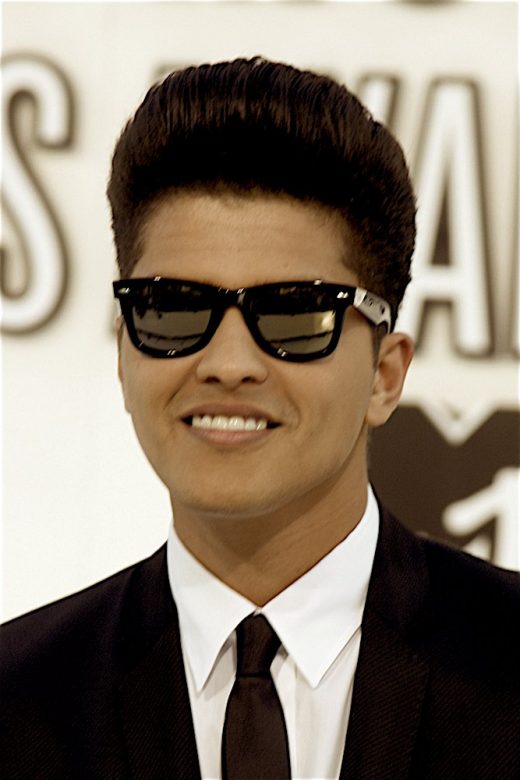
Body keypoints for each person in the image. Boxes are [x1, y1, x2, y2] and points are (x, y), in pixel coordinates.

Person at [1, 57, 519, 780]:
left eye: (294, 314)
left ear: (385, 373)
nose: (228, 363)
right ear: (124, 354)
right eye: (175, 308)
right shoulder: (18, 699)